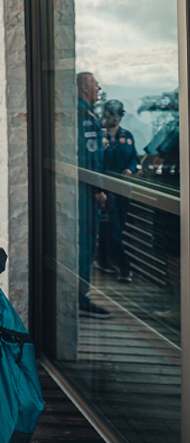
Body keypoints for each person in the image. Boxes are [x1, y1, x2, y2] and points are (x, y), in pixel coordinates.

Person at [76, 72, 111, 318]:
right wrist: (99, 189)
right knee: (86, 243)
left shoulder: (77, 112)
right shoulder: (85, 116)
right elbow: (90, 157)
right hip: (85, 192)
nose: (99, 88)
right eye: (95, 85)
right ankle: (80, 297)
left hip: (77, 190)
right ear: (86, 89)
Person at [98, 99, 139, 283]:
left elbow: (133, 158)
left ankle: (102, 258)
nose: (117, 118)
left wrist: (130, 169)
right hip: (106, 190)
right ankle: (124, 268)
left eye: (120, 114)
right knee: (112, 228)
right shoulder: (98, 135)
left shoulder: (127, 135)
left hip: (123, 190)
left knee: (117, 228)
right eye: (113, 114)